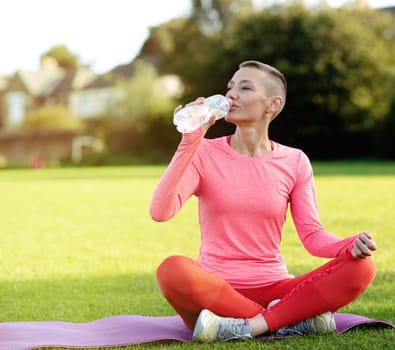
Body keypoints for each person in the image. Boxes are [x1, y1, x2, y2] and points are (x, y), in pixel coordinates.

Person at [149, 60, 377, 342]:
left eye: (245, 88)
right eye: (230, 86)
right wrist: (189, 140)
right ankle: (288, 319)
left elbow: (313, 236)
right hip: (214, 288)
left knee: (362, 268)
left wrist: (348, 245)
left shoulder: (294, 161)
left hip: (275, 287)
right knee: (172, 270)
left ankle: (249, 326)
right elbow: (160, 212)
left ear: (272, 104)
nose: (231, 94)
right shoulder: (204, 152)